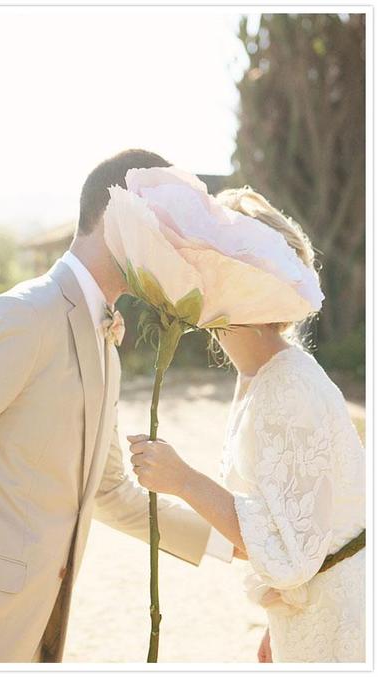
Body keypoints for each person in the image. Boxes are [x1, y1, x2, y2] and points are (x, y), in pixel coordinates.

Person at [0, 149, 236, 663]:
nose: (176, 248)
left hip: (35, 630)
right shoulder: (21, 318)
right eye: (167, 228)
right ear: (122, 218)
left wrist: (230, 537)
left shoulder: (104, 339)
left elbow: (109, 492)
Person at [129, 187, 365, 663]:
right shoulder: (260, 377)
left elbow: (292, 555)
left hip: (338, 625)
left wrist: (183, 481)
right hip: (307, 613)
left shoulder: (288, 387)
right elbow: (290, 521)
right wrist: (275, 614)